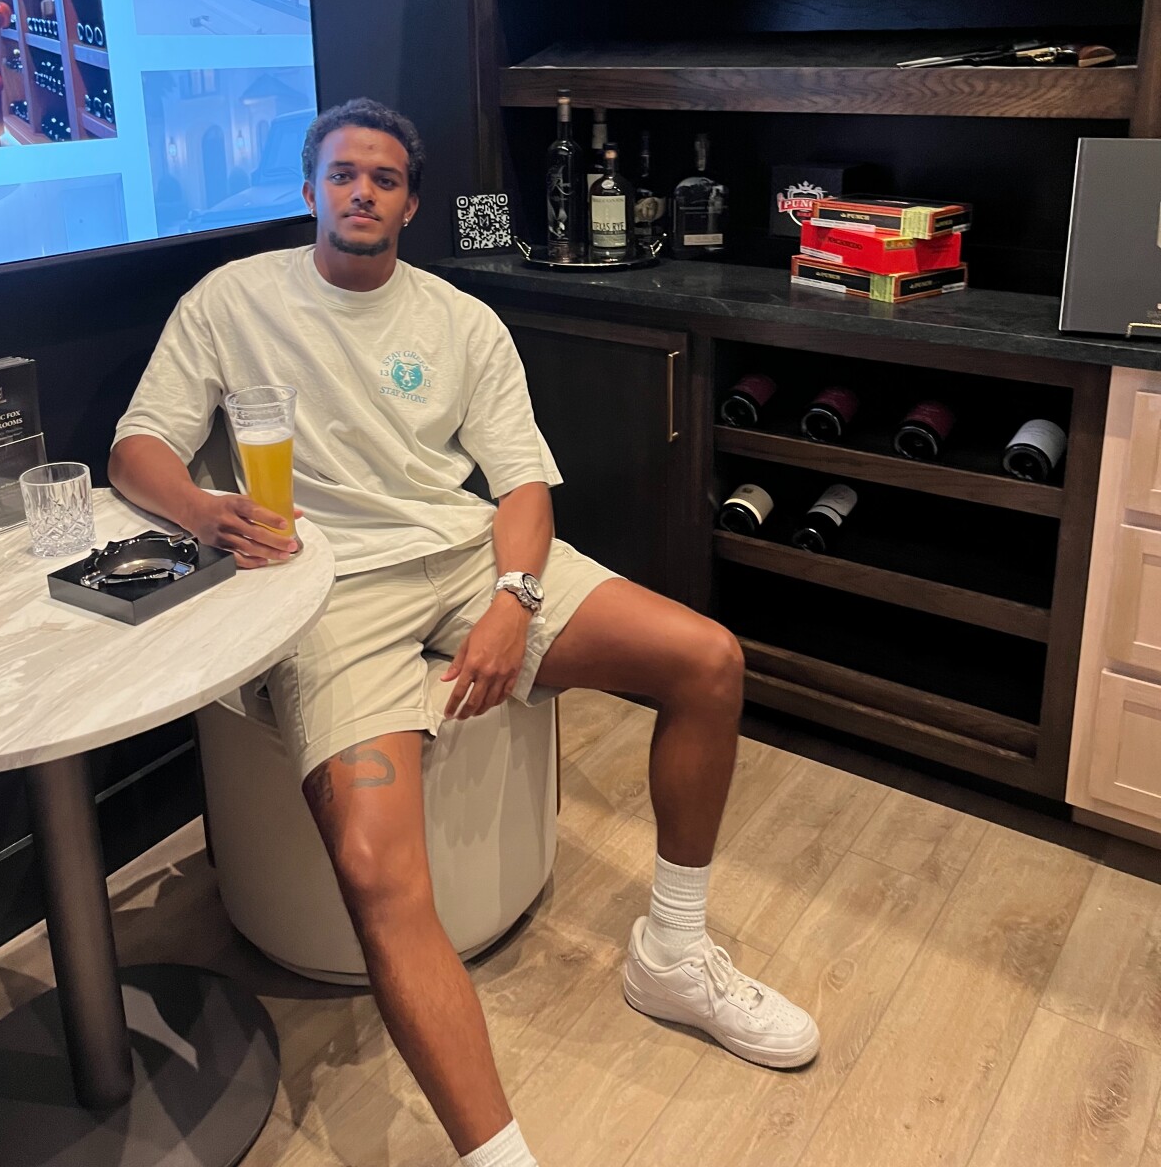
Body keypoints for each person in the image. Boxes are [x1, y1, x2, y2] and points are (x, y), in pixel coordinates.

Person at [108, 98, 819, 1167]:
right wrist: (205, 511)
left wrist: (512, 601)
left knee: (708, 660)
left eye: (385, 178)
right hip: (323, 588)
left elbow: (523, 485)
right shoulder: (230, 300)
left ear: (412, 204)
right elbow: (138, 448)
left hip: (464, 554)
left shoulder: (460, 319)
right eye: (343, 174)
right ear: (309, 189)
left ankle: (673, 952)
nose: (361, 192)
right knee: (375, 868)